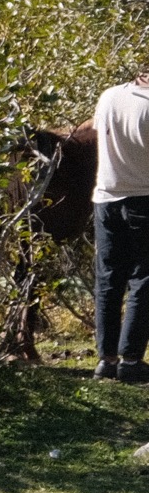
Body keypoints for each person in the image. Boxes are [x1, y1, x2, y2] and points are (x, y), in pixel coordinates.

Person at [92, 69, 149, 380]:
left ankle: (107, 360)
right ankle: (131, 360)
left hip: (106, 198)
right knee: (144, 278)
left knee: (109, 278)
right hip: (144, 196)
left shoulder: (109, 96)